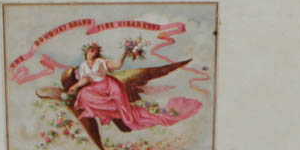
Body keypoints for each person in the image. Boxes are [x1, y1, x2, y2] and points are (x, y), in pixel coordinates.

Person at [65, 42, 200, 131]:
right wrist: (75, 86)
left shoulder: (100, 61)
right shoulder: (82, 66)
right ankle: (104, 111)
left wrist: (125, 52)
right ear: (86, 52)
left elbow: (117, 65)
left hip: (110, 85)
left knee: (127, 115)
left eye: (94, 51)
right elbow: (86, 79)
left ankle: (148, 117)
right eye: (90, 51)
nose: (92, 53)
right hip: (96, 86)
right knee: (83, 94)